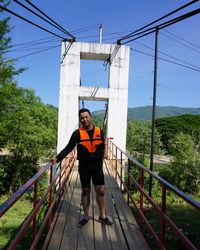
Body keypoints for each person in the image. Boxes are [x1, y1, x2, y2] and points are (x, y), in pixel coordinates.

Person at [51, 108, 113, 228]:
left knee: (100, 191)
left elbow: (103, 143)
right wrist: (57, 158)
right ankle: (86, 216)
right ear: (80, 120)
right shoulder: (77, 134)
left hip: (97, 166)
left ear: (91, 117)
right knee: (85, 191)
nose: (84, 120)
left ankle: (103, 216)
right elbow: (68, 148)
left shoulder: (100, 131)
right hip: (84, 167)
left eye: (86, 117)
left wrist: (104, 154)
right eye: (82, 118)